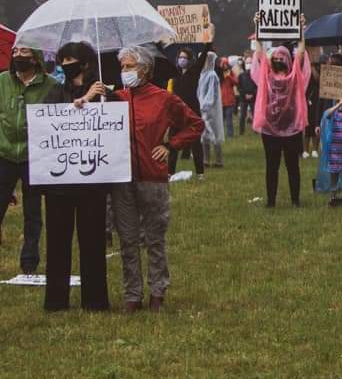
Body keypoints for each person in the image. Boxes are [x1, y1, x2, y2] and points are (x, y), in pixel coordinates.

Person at [112, 45, 204, 312]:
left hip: (152, 176)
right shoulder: (116, 98)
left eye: (129, 67)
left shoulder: (164, 99)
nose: (125, 72)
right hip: (122, 177)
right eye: (122, 67)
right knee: (127, 239)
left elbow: (195, 124)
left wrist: (171, 145)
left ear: (144, 69)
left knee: (154, 237)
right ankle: (132, 294)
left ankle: (157, 292)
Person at [44, 42, 110, 311]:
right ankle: (56, 301)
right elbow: (49, 119)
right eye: (62, 60)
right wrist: (80, 103)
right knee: (57, 242)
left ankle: (95, 300)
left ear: (84, 63)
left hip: (91, 181)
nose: (65, 65)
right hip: (59, 181)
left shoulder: (103, 89)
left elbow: (113, 119)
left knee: (92, 241)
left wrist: (95, 98)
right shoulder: (56, 91)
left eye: (70, 60)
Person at [0, 46, 59, 273]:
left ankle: (29, 262)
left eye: (23, 51)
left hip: (35, 157)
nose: (17, 56)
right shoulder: (3, 81)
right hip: (4, 154)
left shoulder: (51, 85)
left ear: (35, 58)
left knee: (33, 212)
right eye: (14, 51)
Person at [252, 15, 311, 207]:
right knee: (272, 166)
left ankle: (295, 200)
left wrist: (301, 30)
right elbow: (260, 54)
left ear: (287, 60)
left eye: (281, 57)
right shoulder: (266, 76)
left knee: (292, 165)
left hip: (291, 128)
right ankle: (271, 201)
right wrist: (257, 27)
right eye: (275, 57)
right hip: (271, 129)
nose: (277, 59)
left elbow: (301, 54)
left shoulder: (295, 78)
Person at [167, 46, 207, 179]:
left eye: (185, 57)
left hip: (192, 111)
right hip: (177, 113)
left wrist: (208, 42)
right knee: (173, 142)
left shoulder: (194, 72)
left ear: (190, 60)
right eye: (180, 57)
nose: (182, 60)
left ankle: (200, 173)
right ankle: (169, 172)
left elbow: (203, 58)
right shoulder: (174, 74)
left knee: (196, 143)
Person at [198, 51, 225, 168]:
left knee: (215, 133)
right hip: (202, 108)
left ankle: (219, 160)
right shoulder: (201, 75)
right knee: (204, 134)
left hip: (211, 110)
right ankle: (206, 159)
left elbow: (212, 94)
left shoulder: (212, 75)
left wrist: (205, 106)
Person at [237, 55, 257, 135]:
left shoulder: (255, 75)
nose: (249, 64)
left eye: (250, 63)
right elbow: (239, 87)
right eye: (247, 63)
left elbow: (257, 86)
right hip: (243, 99)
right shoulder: (241, 75)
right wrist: (245, 94)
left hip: (253, 98)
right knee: (242, 116)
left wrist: (252, 94)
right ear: (245, 64)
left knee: (255, 115)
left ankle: (256, 130)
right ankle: (241, 132)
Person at [219, 58, 237, 138]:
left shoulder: (231, 73)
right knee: (221, 120)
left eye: (226, 64)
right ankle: (221, 135)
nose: (225, 66)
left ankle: (230, 135)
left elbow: (236, 82)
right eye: (223, 64)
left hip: (230, 101)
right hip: (220, 101)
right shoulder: (218, 74)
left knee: (229, 120)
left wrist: (229, 77)